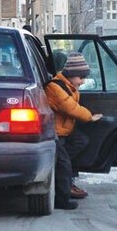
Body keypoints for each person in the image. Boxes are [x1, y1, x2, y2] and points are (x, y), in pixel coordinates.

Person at [44, 51, 103, 210]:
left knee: (82, 141)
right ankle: (61, 199)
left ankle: (60, 169)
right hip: (54, 134)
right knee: (63, 165)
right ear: (70, 74)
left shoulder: (69, 86)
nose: (82, 81)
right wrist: (89, 117)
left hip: (64, 131)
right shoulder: (54, 88)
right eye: (80, 77)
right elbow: (70, 108)